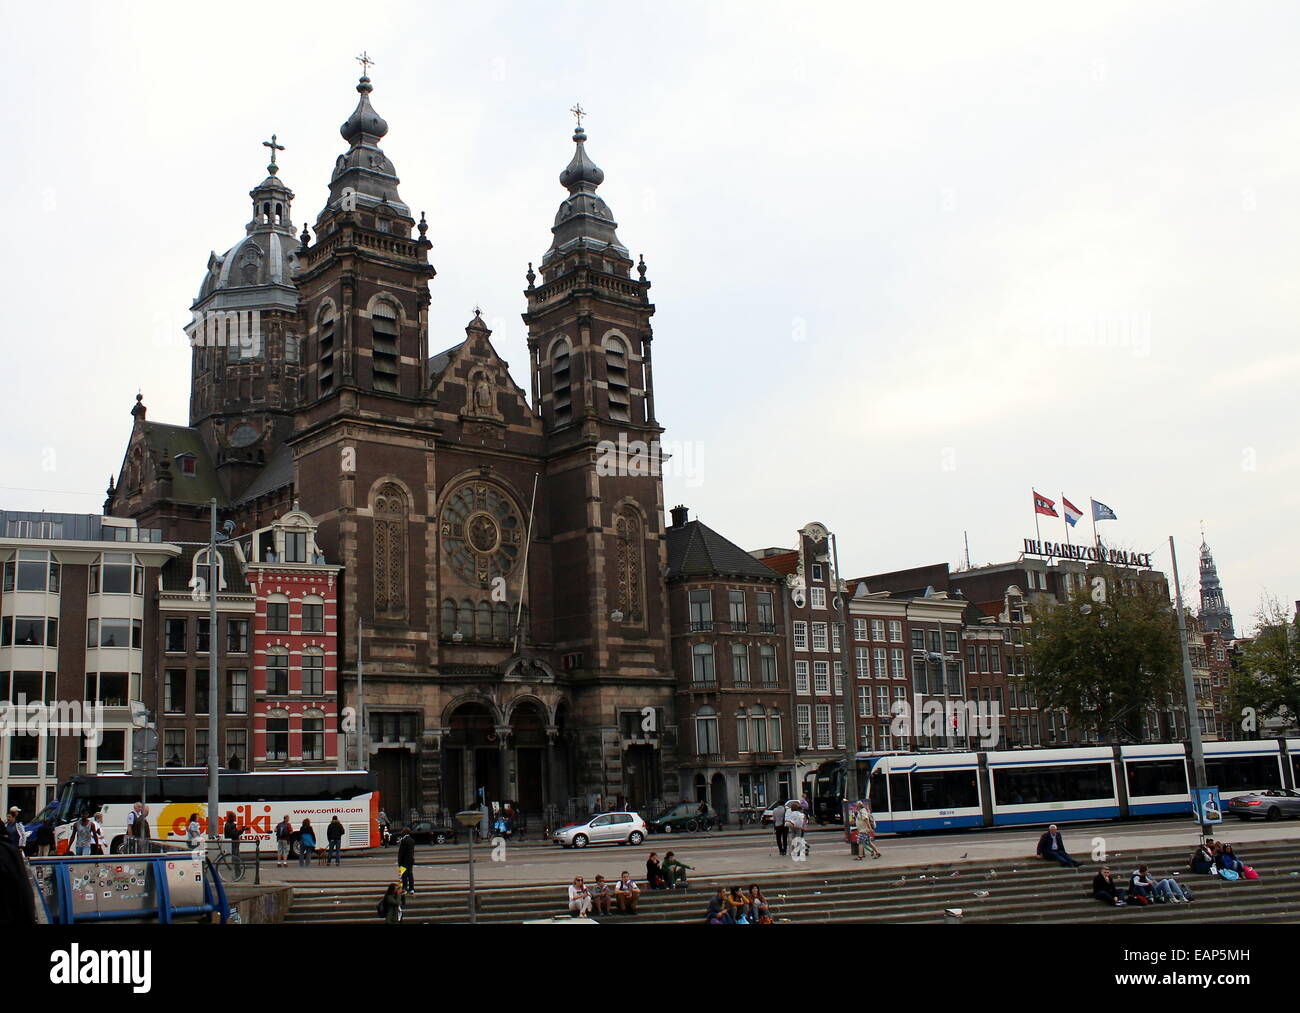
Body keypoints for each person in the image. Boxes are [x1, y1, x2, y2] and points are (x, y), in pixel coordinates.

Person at [396, 826, 415, 893]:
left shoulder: (404, 841)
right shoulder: (412, 840)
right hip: (410, 860)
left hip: (403, 861)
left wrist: (399, 861)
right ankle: (412, 888)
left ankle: (405, 888)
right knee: (410, 874)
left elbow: (401, 852)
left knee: (404, 875)